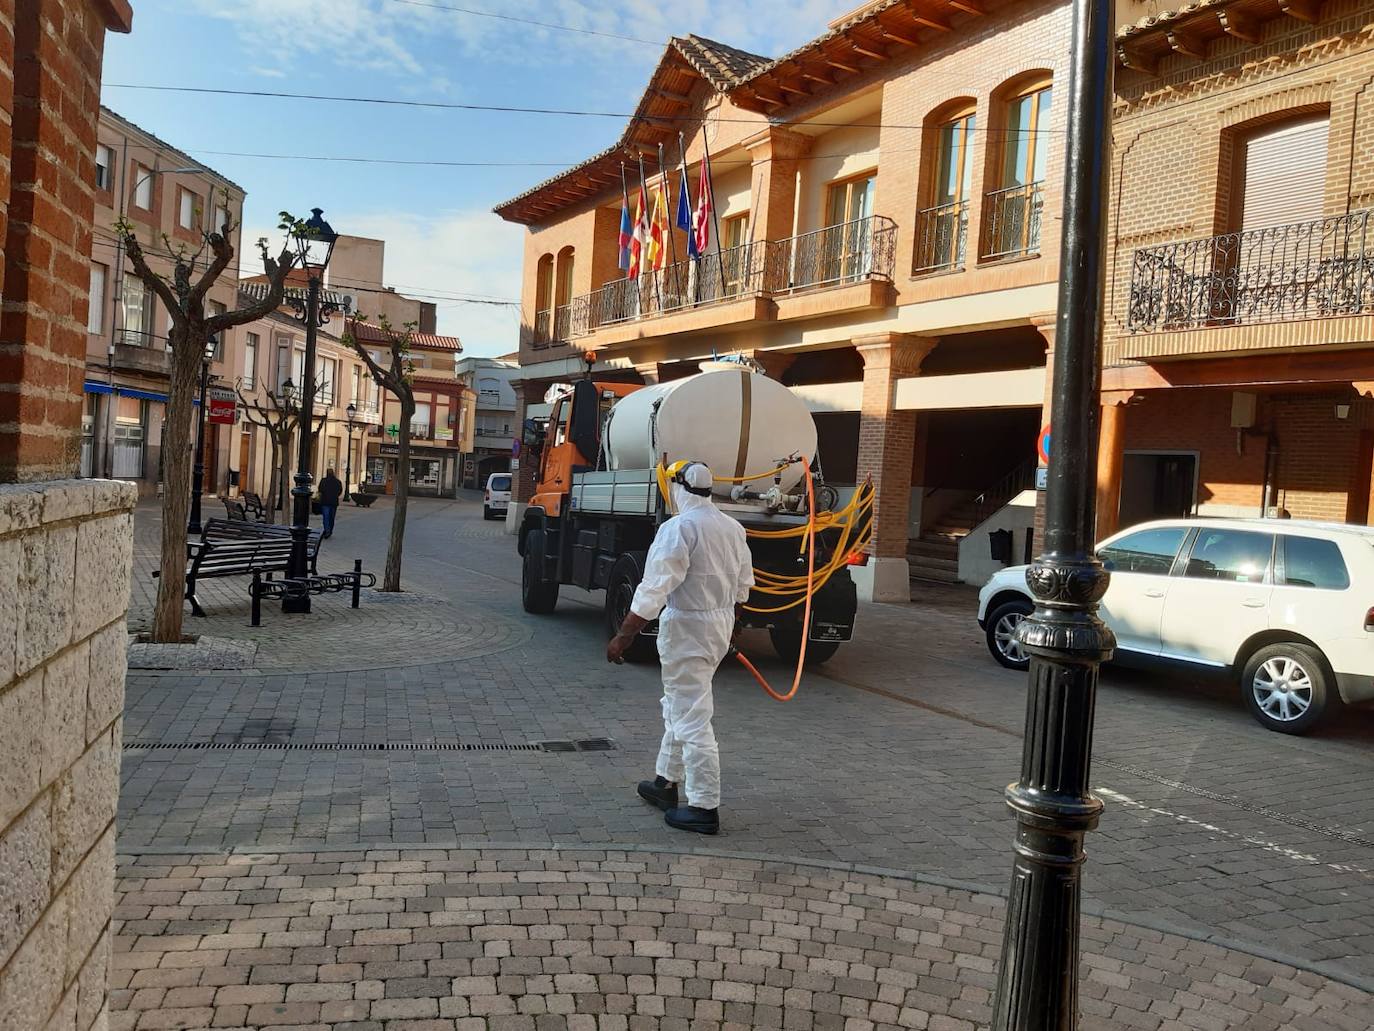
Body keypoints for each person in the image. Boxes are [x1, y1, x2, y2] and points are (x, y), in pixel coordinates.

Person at [606, 461, 754, 835]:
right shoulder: (732, 528)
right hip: (717, 626)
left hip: (688, 627)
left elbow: (653, 589)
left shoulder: (678, 528)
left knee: (691, 714)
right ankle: (665, 783)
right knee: (680, 702)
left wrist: (623, 636)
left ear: (678, 487)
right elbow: (742, 587)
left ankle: (704, 805)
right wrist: (729, 627)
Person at [317, 468, 343, 538]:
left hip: (325, 501)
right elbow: (340, 491)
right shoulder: (338, 482)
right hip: (334, 502)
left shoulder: (323, 481)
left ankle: (327, 530)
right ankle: (329, 530)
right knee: (331, 517)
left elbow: (320, 489)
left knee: (326, 517)